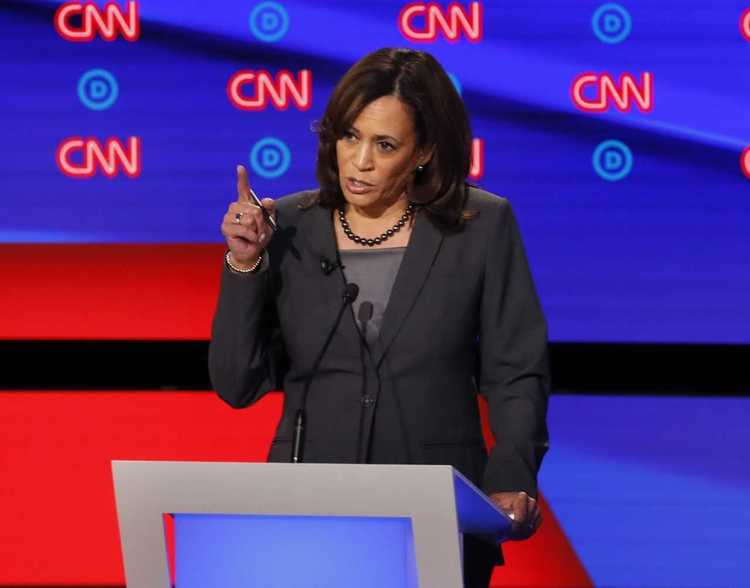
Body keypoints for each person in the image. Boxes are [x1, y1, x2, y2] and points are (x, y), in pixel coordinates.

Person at [209, 47, 549, 588]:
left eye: (384, 145)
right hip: (309, 510)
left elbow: (516, 371)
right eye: (350, 137)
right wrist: (244, 264)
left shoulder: (480, 226)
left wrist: (511, 477)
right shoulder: (288, 226)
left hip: (438, 510)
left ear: (424, 151)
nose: (360, 161)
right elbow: (237, 383)